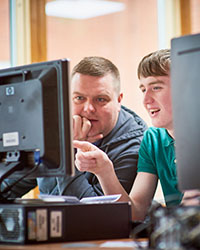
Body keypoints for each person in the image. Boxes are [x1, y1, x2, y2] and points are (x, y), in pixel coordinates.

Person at [73, 49, 200, 221]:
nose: (146, 100)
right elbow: (135, 212)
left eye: (156, 87)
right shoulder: (152, 139)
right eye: (143, 89)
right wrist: (104, 171)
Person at [1, 56, 147, 199]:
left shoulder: (135, 147)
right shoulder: (51, 130)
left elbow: (90, 213)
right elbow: (7, 188)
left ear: (119, 100)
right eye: (79, 98)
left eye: (100, 99)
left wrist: (67, 150)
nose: (88, 108)